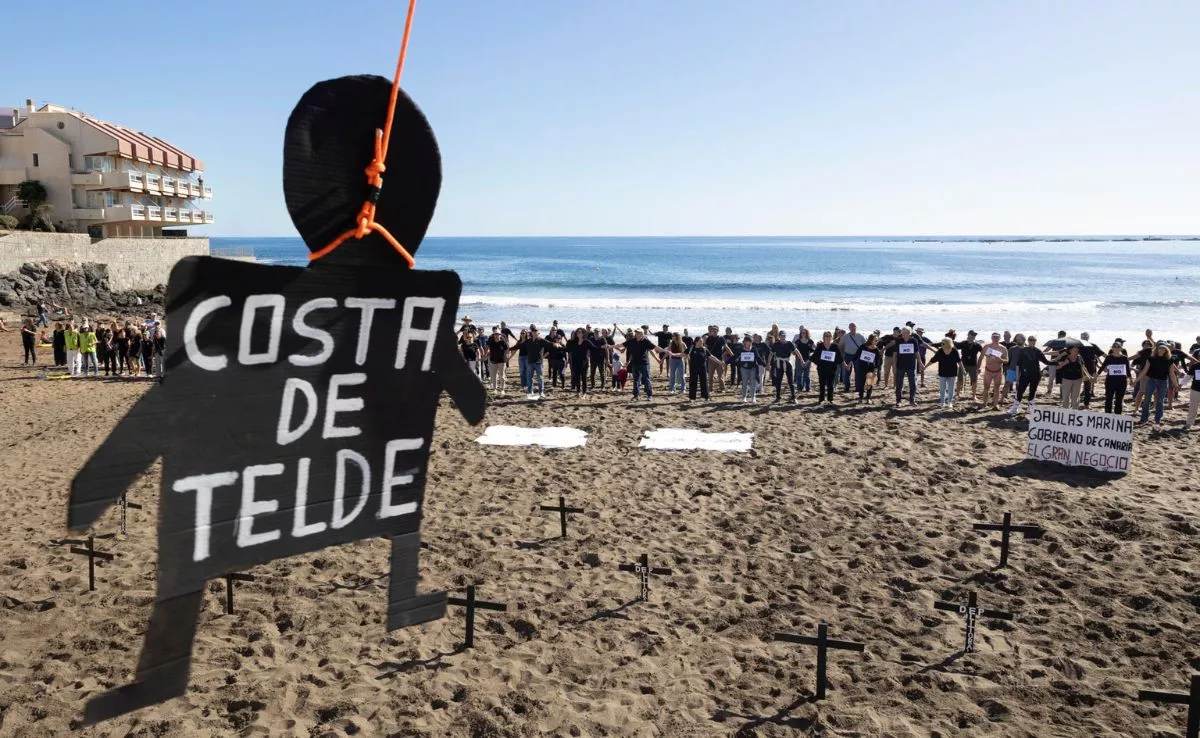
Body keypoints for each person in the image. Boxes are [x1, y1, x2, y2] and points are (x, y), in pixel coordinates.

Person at [1009, 336, 1052, 415]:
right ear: (1028, 341)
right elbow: (1018, 364)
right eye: (1030, 340)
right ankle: (1015, 408)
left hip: (1035, 374)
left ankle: (1030, 408)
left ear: (1036, 341)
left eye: (1034, 340)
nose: (1032, 341)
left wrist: (1057, 362)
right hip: (1025, 374)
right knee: (1020, 391)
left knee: (1033, 391)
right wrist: (1018, 376)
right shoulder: (1023, 350)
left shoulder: (1038, 351)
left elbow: (1046, 362)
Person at [619, 328, 665, 402]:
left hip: (644, 363)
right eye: (636, 332)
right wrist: (629, 361)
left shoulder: (645, 341)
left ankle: (649, 395)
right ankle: (636, 395)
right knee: (636, 380)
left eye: (638, 332)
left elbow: (652, 351)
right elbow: (631, 353)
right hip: (635, 363)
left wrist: (657, 359)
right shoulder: (633, 341)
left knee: (646, 379)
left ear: (642, 334)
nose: (637, 333)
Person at [1138, 343, 1175, 427]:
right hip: (1151, 381)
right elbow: (1144, 371)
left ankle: (1158, 420)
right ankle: (1144, 419)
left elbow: (1171, 374)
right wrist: (1136, 380)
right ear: (1156, 349)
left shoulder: (1169, 359)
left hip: (1163, 382)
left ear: (1166, 350)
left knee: (1160, 401)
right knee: (1147, 399)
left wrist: (1176, 385)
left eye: (1163, 348)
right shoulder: (1151, 358)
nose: (1161, 350)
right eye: (1159, 348)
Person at [924, 338, 962, 409]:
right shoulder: (940, 351)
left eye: (943, 343)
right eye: (941, 343)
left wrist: (963, 370)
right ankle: (942, 402)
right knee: (942, 389)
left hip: (952, 373)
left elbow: (959, 361)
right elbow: (933, 360)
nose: (941, 345)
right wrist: (925, 367)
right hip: (942, 373)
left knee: (951, 388)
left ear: (948, 343)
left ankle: (950, 402)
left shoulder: (954, 351)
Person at [979, 333, 1009, 410]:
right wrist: (978, 368)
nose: (995, 338)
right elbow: (981, 357)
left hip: (998, 370)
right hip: (988, 370)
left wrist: (1001, 360)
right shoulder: (986, 347)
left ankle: (995, 405)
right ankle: (984, 404)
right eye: (994, 337)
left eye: (997, 337)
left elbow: (1006, 360)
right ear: (991, 337)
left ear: (999, 338)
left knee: (997, 388)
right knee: (986, 387)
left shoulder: (1003, 348)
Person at [1098, 342, 1130, 415]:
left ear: (1121, 348)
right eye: (1114, 346)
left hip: (1122, 382)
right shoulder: (1109, 357)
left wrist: (1131, 380)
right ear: (1112, 348)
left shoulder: (1124, 358)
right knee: (1108, 400)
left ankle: (1117, 417)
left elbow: (1128, 370)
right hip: (1110, 382)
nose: (1116, 348)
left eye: (1118, 347)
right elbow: (1102, 367)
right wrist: (1096, 376)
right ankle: (1108, 416)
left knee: (1119, 401)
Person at [892, 327, 921, 406]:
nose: (905, 334)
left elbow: (917, 353)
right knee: (899, 384)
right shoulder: (898, 341)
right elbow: (895, 354)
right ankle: (898, 401)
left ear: (910, 333)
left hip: (911, 365)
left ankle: (912, 400)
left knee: (913, 384)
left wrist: (920, 363)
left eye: (907, 333)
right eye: (903, 332)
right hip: (900, 365)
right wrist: (894, 365)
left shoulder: (913, 341)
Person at [813, 331, 842, 406]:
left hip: (831, 368)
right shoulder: (820, 345)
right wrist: (805, 362)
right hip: (821, 368)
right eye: (826, 336)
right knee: (822, 384)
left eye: (829, 336)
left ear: (831, 337)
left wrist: (845, 364)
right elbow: (814, 355)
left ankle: (830, 399)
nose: (828, 337)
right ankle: (821, 399)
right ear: (823, 337)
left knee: (830, 385)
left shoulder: (835, 346)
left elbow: (839, 357)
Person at [839, 323, 866, 393]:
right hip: (848, 355)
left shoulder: (860, 336)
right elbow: (840, 345)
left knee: (858, 372)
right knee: (847, 372)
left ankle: (858, 388)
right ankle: (847, 387)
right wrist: (842, 354)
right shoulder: (846, 336)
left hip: (858, 356)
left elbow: (865, 345)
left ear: (856, 327)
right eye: (851, 327)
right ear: (849, 328)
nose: (853, 328)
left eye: (854, 327)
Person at [1078, 332, 1103, 409]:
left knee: (1087, 388)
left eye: (1086, 336)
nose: (1084, 337)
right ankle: (1075, 403)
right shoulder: (1077, 346)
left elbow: (1102, 354)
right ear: (1081, 337)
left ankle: (1086, 404)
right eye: (1083, 336)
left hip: (1089, 369)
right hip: (1078, 368)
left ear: (1088, 337)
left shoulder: (1093, 346)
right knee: (1076, 386)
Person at [956, 331, 983, 400]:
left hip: (973, 365)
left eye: (974, 335)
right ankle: (957, 394)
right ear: (968, 335)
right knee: (960, 380)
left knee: (974, 381)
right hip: (963, 364)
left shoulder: (977, 345)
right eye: (971, 335)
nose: (973, 336)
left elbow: (984, 352)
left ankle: (974, 396)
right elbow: (953, 347)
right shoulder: (963, 343)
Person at [770, 331, 796, 403]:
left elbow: (796, 351)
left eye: (784, 335)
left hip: (787, 362)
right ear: (779, 336)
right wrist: (768, 363)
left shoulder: (789, 343)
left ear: (785, 336)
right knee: (778, 381)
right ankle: (778, 398)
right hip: (779, 363)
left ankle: (793, 397)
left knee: (791, 381)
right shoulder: (776, 344)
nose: (782, 337)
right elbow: (771, 354)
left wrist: (802, 360)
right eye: (781, 335)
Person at [733, 337, 761, 403]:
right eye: (746, 343)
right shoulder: (740, 349)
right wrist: (742, 364)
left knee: (752, 383)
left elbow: (758, 357)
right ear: (744, 343)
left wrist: (765, 364)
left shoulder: (754, 349)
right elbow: (736, 358)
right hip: (744, 369)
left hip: (753, 368)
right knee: (744, 383)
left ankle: (753, 397)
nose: (748, 344)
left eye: (749, 343)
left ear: (751, 343)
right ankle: (744, 397)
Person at [854, 335, 880, 403]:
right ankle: (861, 397)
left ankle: (868, 398)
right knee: (861, 383)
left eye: (877, 340)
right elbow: (856, 355)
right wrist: (850, 363)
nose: (877, 342)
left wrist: (876, 369)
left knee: (870, 383)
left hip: (871, 368)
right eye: (876, 340)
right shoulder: (863, 346)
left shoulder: (876, 349)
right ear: (871, 340)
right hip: (862, 367)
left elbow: (878, 361)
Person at [565, 328, 591, 396]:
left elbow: (594, 348)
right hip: (575, 362)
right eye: (577, 332)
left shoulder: (586, 342)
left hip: (584, 362)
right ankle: (578, 391)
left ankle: (584, 392)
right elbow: (566, 349)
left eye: (580, 332)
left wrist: (604, 346)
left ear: (583, 333)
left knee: (584, 378)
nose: (578, 333)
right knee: (577, 378)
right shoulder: (572, 342)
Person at [687, 336, 711, 401]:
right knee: (693, 382)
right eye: (700, 341)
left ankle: (705, 397)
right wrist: (673, 354)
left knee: (704, 382)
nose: (702, 342)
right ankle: (692, 398)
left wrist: (719, 362)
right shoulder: (691, 348)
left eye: (702, 341)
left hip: (703, 368)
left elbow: (711, 357)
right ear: (696, 342)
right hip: (693, 368)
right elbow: (683, 354)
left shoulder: (704, 349)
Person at [793, 327, 814, 394]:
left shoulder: (810, 341)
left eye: (804, 332)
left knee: (807, 375)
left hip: (808, 360)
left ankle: (808, 388)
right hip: (799, 360)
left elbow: (815, 350)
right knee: (799, 374)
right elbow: (793, 350)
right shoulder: (798, 341)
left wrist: (809, 359)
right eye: (802, 333)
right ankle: (800, 388)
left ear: (807, 333)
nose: (803, 334)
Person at [1185, 349, 1200, 431]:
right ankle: (1189, 424)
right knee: (1193, 408)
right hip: (1195, 390)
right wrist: (1181, 385)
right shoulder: (1195, 366)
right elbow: (1188, 377)